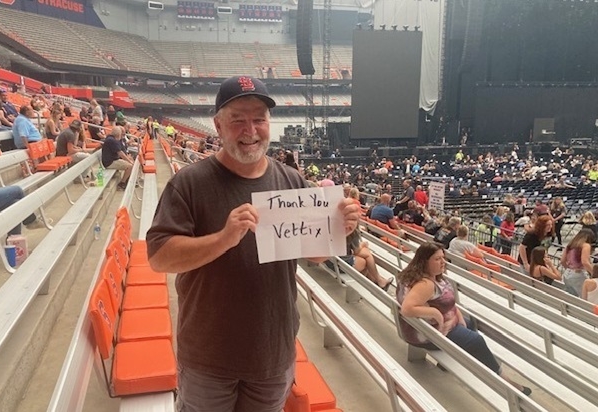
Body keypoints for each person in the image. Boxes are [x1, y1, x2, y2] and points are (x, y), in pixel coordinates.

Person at [145, 76, 360, 412]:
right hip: (208, 356)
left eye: (259, 119)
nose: (250, 130)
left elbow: (315, 256)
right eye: (238, 120)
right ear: (218, 125)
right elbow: (159, 257)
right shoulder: (188, 183)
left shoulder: (291, 181)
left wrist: (340, 229)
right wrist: (223, 239)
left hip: (272, 354)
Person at [396, 241, 531, 395]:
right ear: (424, 262)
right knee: (476, 341)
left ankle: (480, 358)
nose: (443, 262)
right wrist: (434, 313)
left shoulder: (427, 277)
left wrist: (457, 314)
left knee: (470, 323)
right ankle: (504, 381)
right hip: (430, 334)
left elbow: (447, 302)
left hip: (433, 327)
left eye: (443, 257)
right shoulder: (425, 284)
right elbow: (407, 309)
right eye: (437, 259)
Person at [560, 229, 595, 296]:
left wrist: (569, 268)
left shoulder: (570, 245)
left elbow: (562, 260)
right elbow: (585, 262)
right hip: (579, 273)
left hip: (567, 273)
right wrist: (593, 273)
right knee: (584, 296)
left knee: (570, 296)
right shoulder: (585, 246)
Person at [101, 126, 134, 190]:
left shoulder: (111, 138)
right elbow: (120, 153)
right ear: (119, 134)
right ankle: (122, 184)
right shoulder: (112, 140)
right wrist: (129, 161)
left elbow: (122, 150)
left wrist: (128, 159)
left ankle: (126, 181)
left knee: (130, 163)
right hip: (110, 163)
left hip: (112, 160)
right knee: (130, 166)